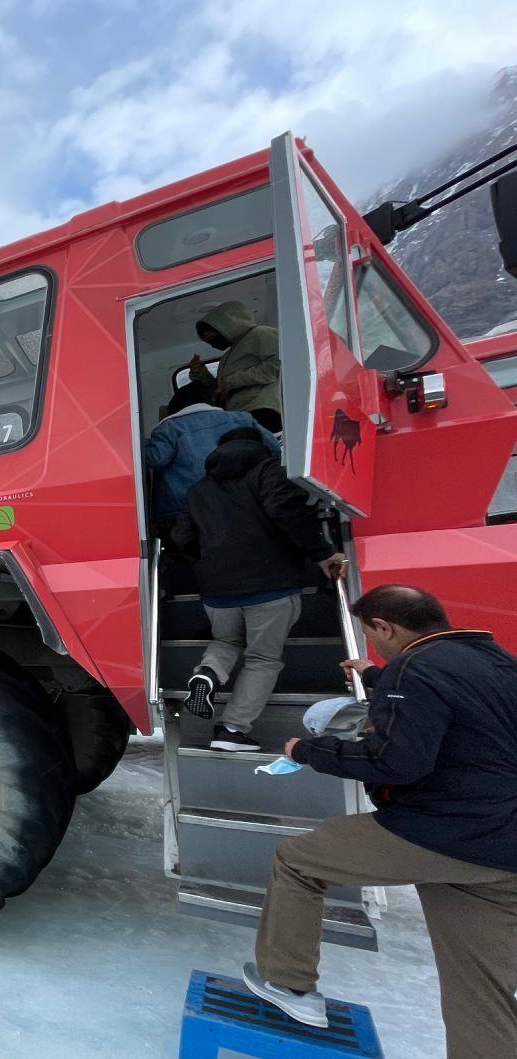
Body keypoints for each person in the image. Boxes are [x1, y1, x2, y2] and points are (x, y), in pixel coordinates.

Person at [242, 585, 517, 1059]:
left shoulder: (414, 672)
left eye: (373, 636)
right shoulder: (495, 660)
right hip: (505, 853)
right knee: (484, 997)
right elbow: (452, 714)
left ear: (386, 627)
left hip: (440, 832)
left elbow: (399, 762)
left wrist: (308, 749)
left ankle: (291, 984)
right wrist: (381, 677)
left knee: (297, 861)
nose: (372, 646)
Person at [172, 427, 346, 750]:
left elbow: (182, 537)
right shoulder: (268, 471)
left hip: (216, 592)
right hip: (271, 586)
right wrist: (322, 552)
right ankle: (233, 731)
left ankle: (207, 674)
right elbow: (286, 512)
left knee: (226, 639)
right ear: (259, 445)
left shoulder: (199, 489)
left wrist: (210, 562)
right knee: (263, 658)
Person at [144, 380, 280, 532]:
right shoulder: (242, 418)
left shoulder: (169, 428)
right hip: (247, 500)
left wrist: (142, 444)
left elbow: (156, 459)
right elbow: (274, 449)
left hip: (190, 509)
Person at [189, 300, 283, 434]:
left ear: (228, 325)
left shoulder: (261, 334)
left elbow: (278, 365)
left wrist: (233, 381)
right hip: (240, 413)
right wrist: (200, 372)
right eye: (208, 340)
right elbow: (220, 389)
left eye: (214, 336)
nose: (212, 342)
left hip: (262, 410)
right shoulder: (229, 354)